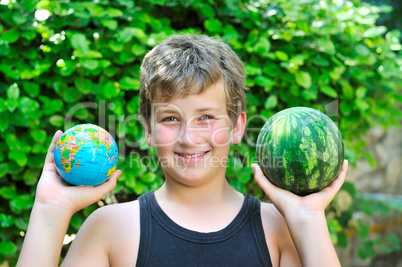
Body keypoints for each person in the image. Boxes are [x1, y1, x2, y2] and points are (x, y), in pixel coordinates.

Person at [17, 34, 348, 267]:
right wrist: (50, 210)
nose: (189, 137)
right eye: (171, 118)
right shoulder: (110, 228)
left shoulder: (279, 228)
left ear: (237, 126)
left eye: (206, 117)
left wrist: (307, 218)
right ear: (147, 129)